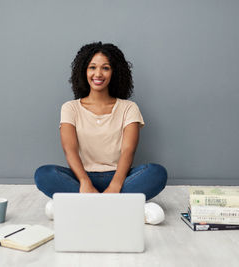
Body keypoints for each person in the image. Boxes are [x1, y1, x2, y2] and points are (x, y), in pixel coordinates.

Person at [34, 42, 167, 224]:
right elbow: (69, 150)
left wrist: (116, 184)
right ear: (84, 71)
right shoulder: (70, 108)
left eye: (105, 68)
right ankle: (122, 208)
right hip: (82, 177)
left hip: (120, 176)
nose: (98, 74)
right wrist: (84, 182)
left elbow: (128, 150)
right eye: (92, 67)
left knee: (157, 173)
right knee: (44, 174)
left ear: (115, 72)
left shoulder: (129, 108)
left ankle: (80, 207)